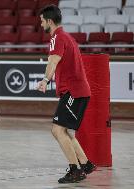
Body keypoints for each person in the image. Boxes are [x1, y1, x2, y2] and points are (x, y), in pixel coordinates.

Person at [37, 5, 96, 183]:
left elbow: (53, 61)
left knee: (57, 130)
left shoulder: (57, 38)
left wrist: (45, 80)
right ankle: (85, 164)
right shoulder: (66, 37)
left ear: (49, 21)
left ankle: (75, 170)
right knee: (65, 131)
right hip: (77, 91)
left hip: (74, 92)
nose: (40, 25)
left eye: (41, 21)